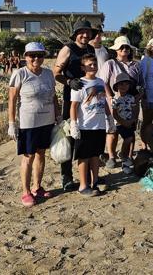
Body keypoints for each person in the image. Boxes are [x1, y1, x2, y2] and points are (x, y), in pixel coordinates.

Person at [7, 42, 60, 206]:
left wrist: (58, 115)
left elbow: (53, 96)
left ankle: (38, 187)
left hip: (47, 120)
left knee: (41, 154)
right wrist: (11, 122)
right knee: (28, 156)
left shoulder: (49, 74)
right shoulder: (20, 73)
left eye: (40, 55)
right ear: (26, 56)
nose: (36, 58)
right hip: (28, 122)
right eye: (32, 55)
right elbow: (12, 99)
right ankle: (26, 191)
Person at [53, 20, 97, 191]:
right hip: (70, 98)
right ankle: (67, 176)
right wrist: (69, 81)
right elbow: (56, 72)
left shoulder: (90, 49)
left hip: (88, 99)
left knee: (86, 136)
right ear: (75, 33)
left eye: (88, 32)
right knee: (69, 136)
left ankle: (84, 175)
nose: (85, 35)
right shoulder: (67, 49)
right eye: (82, 32)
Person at [68, 53, 114, 196]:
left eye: (95, 64)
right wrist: (74, 124)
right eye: (89, 65)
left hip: (99, 126)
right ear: (83, 67)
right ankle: (83, 185)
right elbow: (74, 106)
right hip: (85, 126)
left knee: (95, 156)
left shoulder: (100, 82)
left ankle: (95, 182)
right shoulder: (80, 84)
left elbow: (104, 101)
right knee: (84, 156)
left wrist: (109, 118)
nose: (93, 67)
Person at [98, 35, 142, 167]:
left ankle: (127, 155)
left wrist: (137, 98)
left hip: (131, 102)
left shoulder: (136, 65)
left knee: (130, 128)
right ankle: (111, 156)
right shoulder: (110, 64)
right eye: (121, 47)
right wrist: (110, 96)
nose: (124, 49)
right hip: (114, 101)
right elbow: (103, 81)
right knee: (113, 130)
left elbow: (140, 84)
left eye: (126, 47)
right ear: (116, 49)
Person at [111, 72, 138, 174]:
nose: (124, 86)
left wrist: (133, 119)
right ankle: (122, 155)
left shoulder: (131, 97)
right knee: (128, 138)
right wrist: (123, 122)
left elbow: (134, 109)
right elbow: (114, 114)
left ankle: (125, 163)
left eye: (126, 84)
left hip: (130, 122)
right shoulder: (115, 99)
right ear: (117, 86)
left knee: (130, 140)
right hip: (119, 123)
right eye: (121, 84)